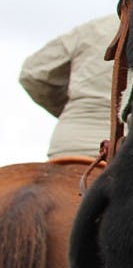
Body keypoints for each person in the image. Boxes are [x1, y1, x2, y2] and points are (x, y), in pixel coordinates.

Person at [19, 14, 118, 159]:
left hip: (70, 144)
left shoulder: (95, 27)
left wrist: (74, 110)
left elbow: (32, 73)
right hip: (128, 149)